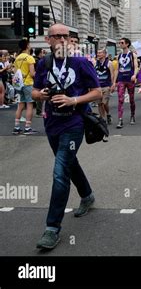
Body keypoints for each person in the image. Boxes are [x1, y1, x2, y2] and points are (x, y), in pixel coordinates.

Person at [32, 23, 102, 250]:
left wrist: (73, 100)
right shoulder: (44, 63)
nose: (63, 39)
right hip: (52, 123)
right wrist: (40, 95)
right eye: (58, 36)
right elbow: (33, 90)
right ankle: (87, 195)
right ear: (48, 40)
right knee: (70, 164)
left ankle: (52, 229)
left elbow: (98, 92)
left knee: (60, 171)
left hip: (74, 123)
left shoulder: (81, 62)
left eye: (67, 36)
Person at [12, 39, 37, 135]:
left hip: (19, 84)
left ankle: (16, 127)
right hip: (28, 83)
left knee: (20, 105)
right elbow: (32, 73)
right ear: (27, 46)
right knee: (29, 105)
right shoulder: (29, 58)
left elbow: (15, 73)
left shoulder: (17, 58)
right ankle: (27, 127)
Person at [114, 38, 138, 128]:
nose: (120, 44)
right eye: (119, 42)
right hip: (121, 79)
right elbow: (117, 69)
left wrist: (135, 75)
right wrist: (114, 82)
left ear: (127, 44)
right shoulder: (119, 56)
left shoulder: (132, 55)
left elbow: (136, 67)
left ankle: (132, 115)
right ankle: (120, 119)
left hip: (130, 79)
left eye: (122, 43)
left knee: (131, 99)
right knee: (120, 99)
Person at [94, 48, 115, 130]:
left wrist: (112, 84)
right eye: (97, 52)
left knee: (104, 103)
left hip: (106, 86)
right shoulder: (95, 63)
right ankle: (103, 119)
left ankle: (108, 113)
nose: (98, 54)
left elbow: (112, 74)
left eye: (100, 53)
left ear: (104, 54)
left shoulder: (109, 63)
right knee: (99, 104)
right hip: (98, 87)